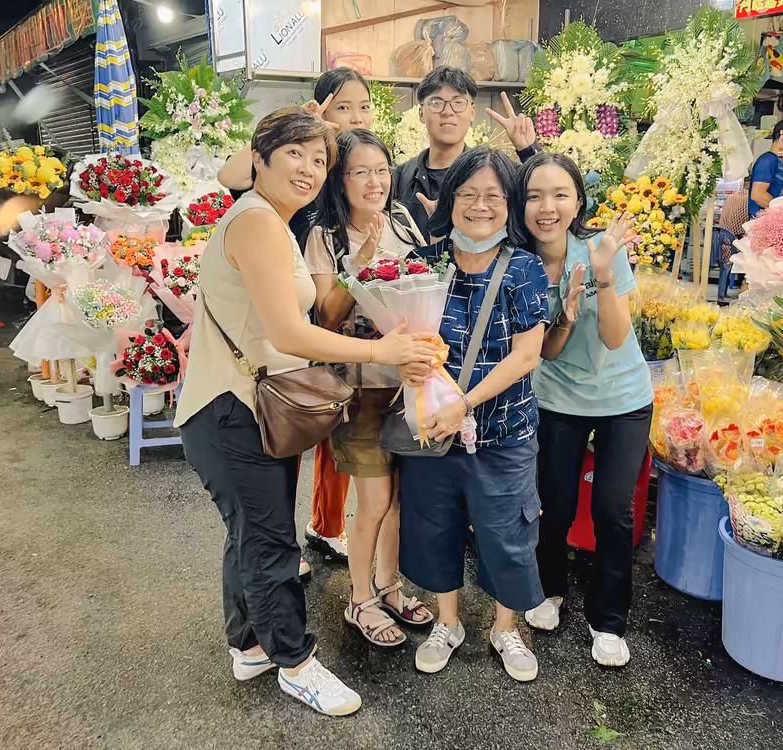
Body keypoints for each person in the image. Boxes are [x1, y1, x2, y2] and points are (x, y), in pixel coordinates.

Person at [174, 107, 437, 716]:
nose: (310, 168)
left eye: (320, 159)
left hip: (249, 406)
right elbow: (291, 332)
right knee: (270, 542)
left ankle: (248, 644)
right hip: (232, 410)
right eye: (295, 153)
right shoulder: (258, 223)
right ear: (259, 159)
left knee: (250, 532)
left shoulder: (271, 222)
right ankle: (296, 662)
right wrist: (381, 350)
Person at [398, 146, 551, 682]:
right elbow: (405, 334)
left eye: (492, 195)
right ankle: (449, 621)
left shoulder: (525, 268)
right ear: (448, 199)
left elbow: (527, 355)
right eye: (467, 194)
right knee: (434, 526)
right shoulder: (429, 264)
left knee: (507, 532)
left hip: (503, 433)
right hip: (433, 430)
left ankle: (506, 628)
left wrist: (463, 401)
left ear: (508, 204)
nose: (479, 206)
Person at [219, 67, 377, 569]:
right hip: (296, 313)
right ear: (321, 106)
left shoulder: (354, 158)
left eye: (363, 106)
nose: (353, 115)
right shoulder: (296, 164)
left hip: (314, 310)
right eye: (342, 105)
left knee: (315, 425)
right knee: (288, 426)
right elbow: (230, 175)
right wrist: (300, 133)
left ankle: (308, 533)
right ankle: (290, 539)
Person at [517, 152, 651, 668]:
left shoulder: (602, 250)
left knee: (613, 509)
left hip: (623, 397)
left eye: (559, 195)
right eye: (534, 196)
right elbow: (546, 351)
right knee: (553, 501)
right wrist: (565, 315)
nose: (546, 207)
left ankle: (609, 620)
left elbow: (617, 339)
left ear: (577, 203)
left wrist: (604, 276)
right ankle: (548, 589)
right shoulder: (521, 263)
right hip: (559, 397)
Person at [304, 129, 434, 648]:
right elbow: (326, 316)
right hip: (357, 388)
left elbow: (425, 284)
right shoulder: (325, 237)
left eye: (382, 170)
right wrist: (367, 258)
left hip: (408, 383)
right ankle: (361, 599)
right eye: (361, 171)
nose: (375, 181)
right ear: (341, 179)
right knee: (375, 499)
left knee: (398, 498)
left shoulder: (403, 220)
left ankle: (389, 584)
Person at [392, 65, 541, 236]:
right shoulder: (401, 177)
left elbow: (544, 194)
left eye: (458, 102)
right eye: (436, 103)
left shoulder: (496, 172)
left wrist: (528, 150)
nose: (447, 111)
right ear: (420, 113)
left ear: (472, 111)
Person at [747, 120, 783, 219]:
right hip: (764, 225)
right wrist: (781, 214)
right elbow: (758, 194)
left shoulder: (780, 162)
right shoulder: (767, 161)